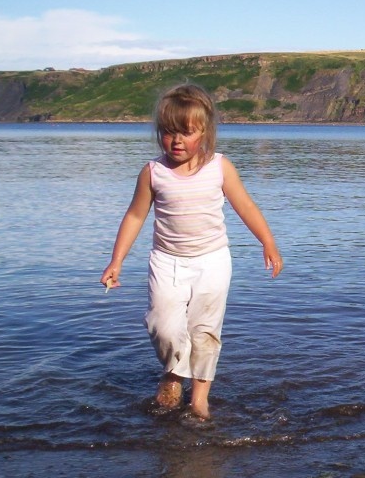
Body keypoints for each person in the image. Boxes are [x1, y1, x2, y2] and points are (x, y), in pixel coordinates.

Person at [100, 83, 283, 419]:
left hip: (212, 261)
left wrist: (267, 242)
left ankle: (199, 398)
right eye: (169, 132)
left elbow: (245, 206)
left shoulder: (219, 167)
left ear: (205, 131)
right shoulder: (153, 172)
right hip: (167, 261)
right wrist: (117, 261)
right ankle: (174, 371)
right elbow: (136, 215)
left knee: (205, 330)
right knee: (163, 325)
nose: (177, 140)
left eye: (186, 132)